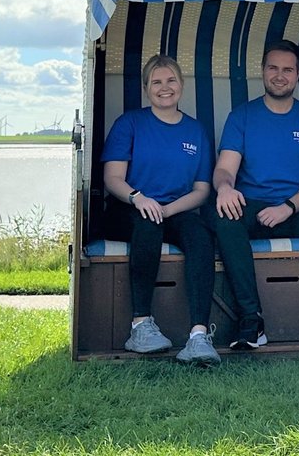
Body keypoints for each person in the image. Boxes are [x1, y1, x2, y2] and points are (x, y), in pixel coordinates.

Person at [213, 40, 299, 350]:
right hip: (255, 210)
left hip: (298, 209)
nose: (280, 75)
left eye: (287, 69)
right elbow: (225, 169)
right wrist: (225, 188)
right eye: (273, 68)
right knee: (222, 213)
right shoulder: (243, 116)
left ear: (298, 74)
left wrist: (288, 207)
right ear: (263, 71)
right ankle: (250, 319)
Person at [101, 54, 220, 366]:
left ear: (181, 86)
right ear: (146, 88)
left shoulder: (196, 131)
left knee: (199, 235)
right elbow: (112, 178)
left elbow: (202, 191)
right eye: (156, 81)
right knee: (148, 223)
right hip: (128, 207)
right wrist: (140, 199)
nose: (164, 87)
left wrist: (167, 211)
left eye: (171, 80)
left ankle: (197, 336)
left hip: (174, 211)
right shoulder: (130, 123)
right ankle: (141, 326)